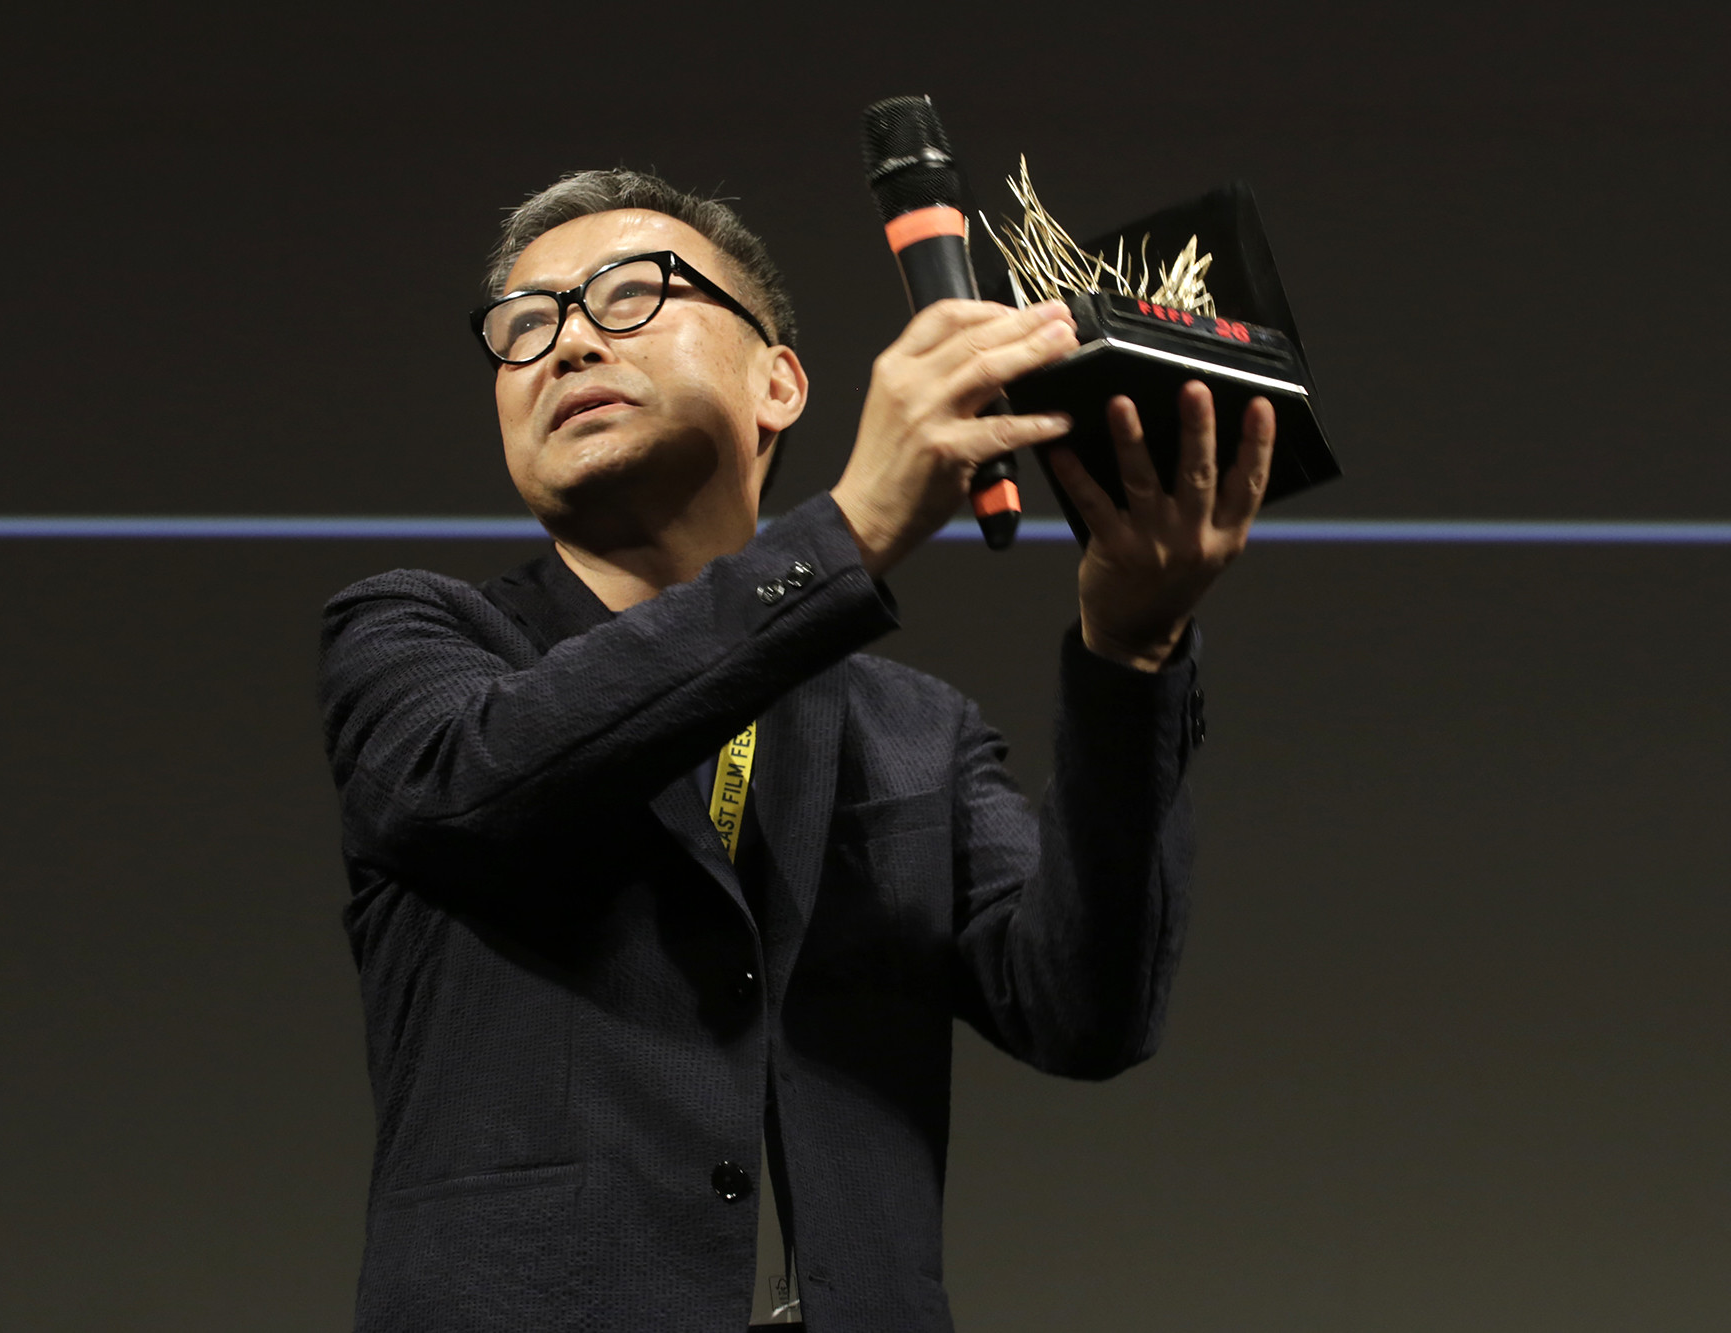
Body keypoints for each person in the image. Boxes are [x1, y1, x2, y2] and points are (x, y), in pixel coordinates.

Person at [318, 169, 1273, 1333]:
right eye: (524, 325)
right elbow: (481, 782)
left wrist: (1131, 654)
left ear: (777, 383)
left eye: (627, 294)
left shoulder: (914, 729)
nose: (567, 344)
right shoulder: (413, 639)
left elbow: (1080, 1008)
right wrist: (852, 530)